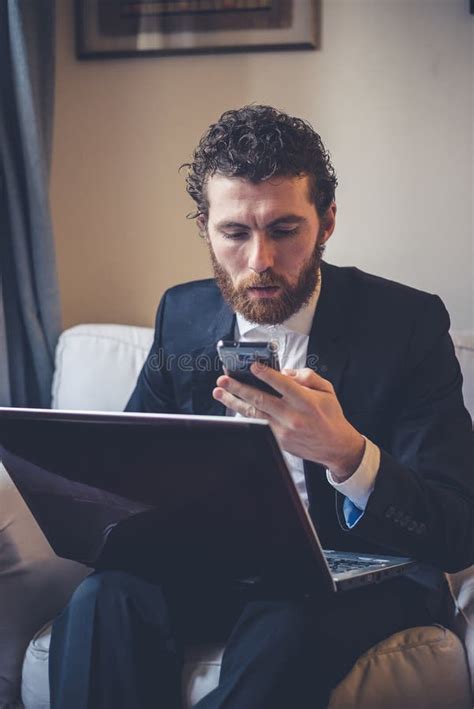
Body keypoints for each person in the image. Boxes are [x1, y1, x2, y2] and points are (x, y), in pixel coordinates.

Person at [49, 105, 474, 709]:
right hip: (211, 566)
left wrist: (347, 454)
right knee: (102, 598)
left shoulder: (407, 324)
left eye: (283, 230)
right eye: (235, 233)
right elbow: (129, 468)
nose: (259, 262)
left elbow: (457, 530)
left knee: (284, 622)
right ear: (204, 227)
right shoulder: (182, 314)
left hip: (358, 576)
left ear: (326, 223)